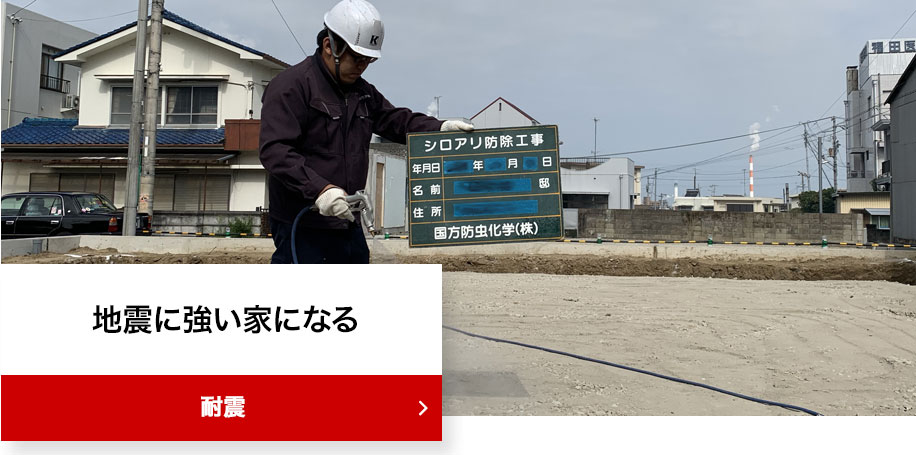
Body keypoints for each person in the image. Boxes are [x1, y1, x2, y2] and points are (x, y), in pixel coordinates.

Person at [259, 0, 473, 264]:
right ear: (330, 46)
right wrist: (321, 190)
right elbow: (275, 151)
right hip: (302, 224)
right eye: (357, 58)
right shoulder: (291, 87)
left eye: (368, 60)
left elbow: (396, 121)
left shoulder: (362, 93)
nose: (362, 66)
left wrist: (439, 128)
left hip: (347, 222)